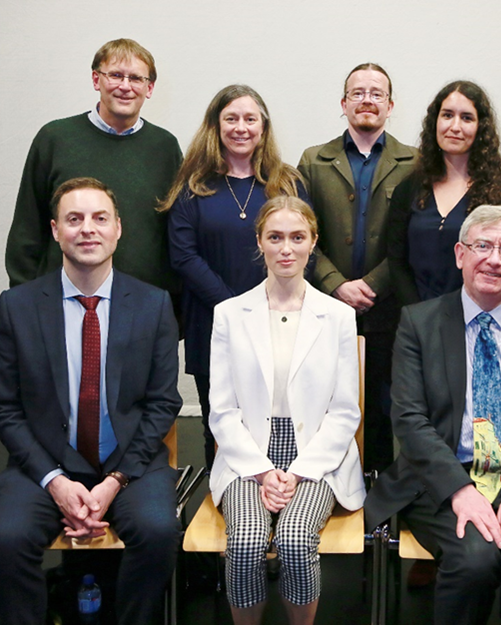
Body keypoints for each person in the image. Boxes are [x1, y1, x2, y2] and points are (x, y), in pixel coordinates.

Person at [366, 205, 501, 625]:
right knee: (474, 562)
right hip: (441, 478)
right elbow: (409, 419)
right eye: (483, 245)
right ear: (460, 254)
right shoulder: (418, 323)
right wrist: (460, 490)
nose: (494, 259)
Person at [0, 177, 182, 625]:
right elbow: (5, 409)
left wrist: (113, 482)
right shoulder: (17, 306)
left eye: (99, 218)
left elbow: (162, 405)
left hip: (129, 463)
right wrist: (55, 481)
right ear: (56, 230)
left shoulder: (153, 305)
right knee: (7, 541)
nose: (87, 229)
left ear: (118, 229)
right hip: (44, 464)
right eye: (74, 219)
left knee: (158, 531)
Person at [208, 196, 365, 625]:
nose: (286, 249)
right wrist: (262, 471)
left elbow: (344, 412)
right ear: (259, 242)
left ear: (313, 242)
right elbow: (222, 411)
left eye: (297, 238)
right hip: (247, 456)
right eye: (274, 237)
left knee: (296, 539)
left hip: (316, 455)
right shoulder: (229, 314)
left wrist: (296, 472)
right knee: (245, 542)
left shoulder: (337, 316)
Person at [160, 85, 306, 470]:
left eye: (250, 118)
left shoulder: (287, 184)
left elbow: (304, 247)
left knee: (281, 420)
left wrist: (260, 310)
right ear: (216, 125)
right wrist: (234, 308)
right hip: (212, 325)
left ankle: (281, 496)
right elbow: (184, 257)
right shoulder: (192, 187)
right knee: (221, 426)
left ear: (263, 127)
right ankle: (224, 504)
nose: (241, 127)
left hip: (282, 321)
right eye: (231, 118)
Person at [297, 63, 417, 472]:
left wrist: (372, 285)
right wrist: (335, 284)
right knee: (323, 404)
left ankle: (377, 497)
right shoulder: (314, 161)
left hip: (388, 310)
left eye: (376, 93)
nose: (367, 100)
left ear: (390, 104)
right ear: (344, 103)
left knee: (383, 406)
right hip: (325, 308)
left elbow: (411, 238)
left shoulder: (414, 162)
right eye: (358, 92)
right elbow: (301, 234)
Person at [5, 39, 182, 301]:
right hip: (61, 302)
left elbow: (177, 235)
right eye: (115, 75)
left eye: (135, 78)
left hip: (142, 308)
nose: (125, 86)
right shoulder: (55, 139)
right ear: (96, 79)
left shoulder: (165, 148)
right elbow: (27, 228)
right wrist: (25, 302)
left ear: (149, 87)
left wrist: (172, 311)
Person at [389, 80, 501, 306]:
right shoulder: (409, 188)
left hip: (480, 317)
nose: (455, 127)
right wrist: (418, 316)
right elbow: (397, 261)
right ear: (435, 121)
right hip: (416, 320)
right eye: (447, 115)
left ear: (481, 127)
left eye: (466, 118)